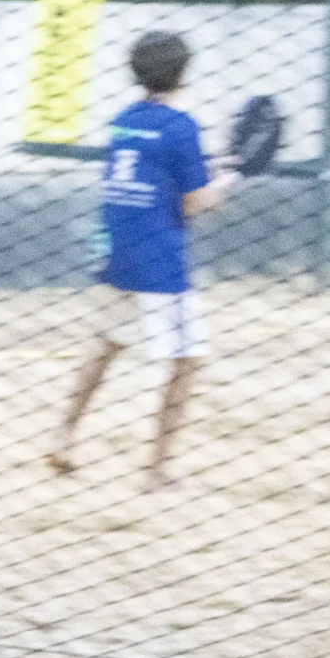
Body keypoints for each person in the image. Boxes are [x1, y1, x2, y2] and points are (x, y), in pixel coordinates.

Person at [48, 29, 237, 490]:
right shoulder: (182, 127)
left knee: (107, 344)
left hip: (118, 252)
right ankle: (157, 470)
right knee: (187, 359)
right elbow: (193, 203)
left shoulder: (123, 122)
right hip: (160, 261)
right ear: (183, 75)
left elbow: (154, 172)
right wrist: (224, 185)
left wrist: (206, 168)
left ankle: (63, 437)